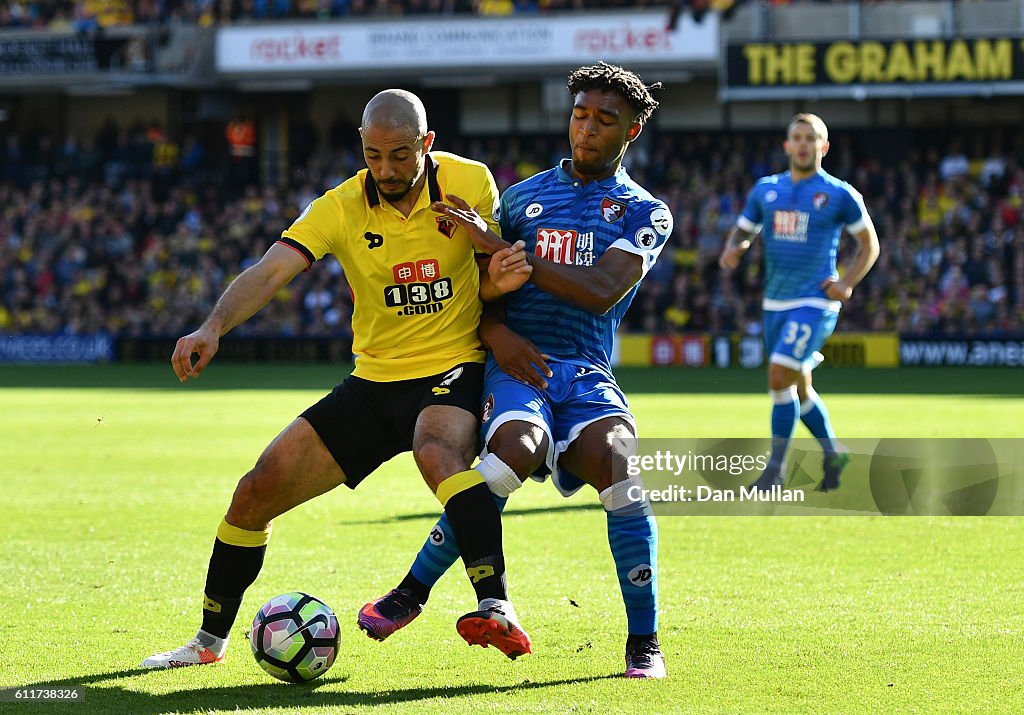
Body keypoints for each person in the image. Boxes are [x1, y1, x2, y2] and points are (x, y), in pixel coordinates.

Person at [141, 89, 534, 669]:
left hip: (453, 367)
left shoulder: (469, 182)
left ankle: (495, 606)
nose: (387, 169)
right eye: (374, 155)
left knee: (437, 452)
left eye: (401, 155)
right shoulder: (341, 205)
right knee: (254, 491)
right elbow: (272, 268)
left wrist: (495, 261)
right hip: (373, 383)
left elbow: (493, 278)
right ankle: (206, 644)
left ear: (426, 144)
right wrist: (213, 326)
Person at [355, 63, 672, 678]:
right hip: (515, 365)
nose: (587, 129)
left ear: (630, 132)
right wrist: (497, 333)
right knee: (510, 454)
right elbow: (480, 294)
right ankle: (410, 594)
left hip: (584, 371)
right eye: (580, 114)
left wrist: (501, 248)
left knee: (622, 468)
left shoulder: (644, 212)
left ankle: (644, 642)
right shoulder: (523, 198)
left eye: (605, 121)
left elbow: (602, 290)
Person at [718, 113, 880, 492]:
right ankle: (833, 451)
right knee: (797, 387)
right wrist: (735, 247)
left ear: (823, 147)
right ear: (787, 146)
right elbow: (745, 226)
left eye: (812, 138)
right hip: (775, 302)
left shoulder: (840, 194)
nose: (804, 144)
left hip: (815, 302)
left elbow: (869, 243)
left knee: (778, 376)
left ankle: (775, 470)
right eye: (798, 137)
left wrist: (847, 282)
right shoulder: (765, 190)